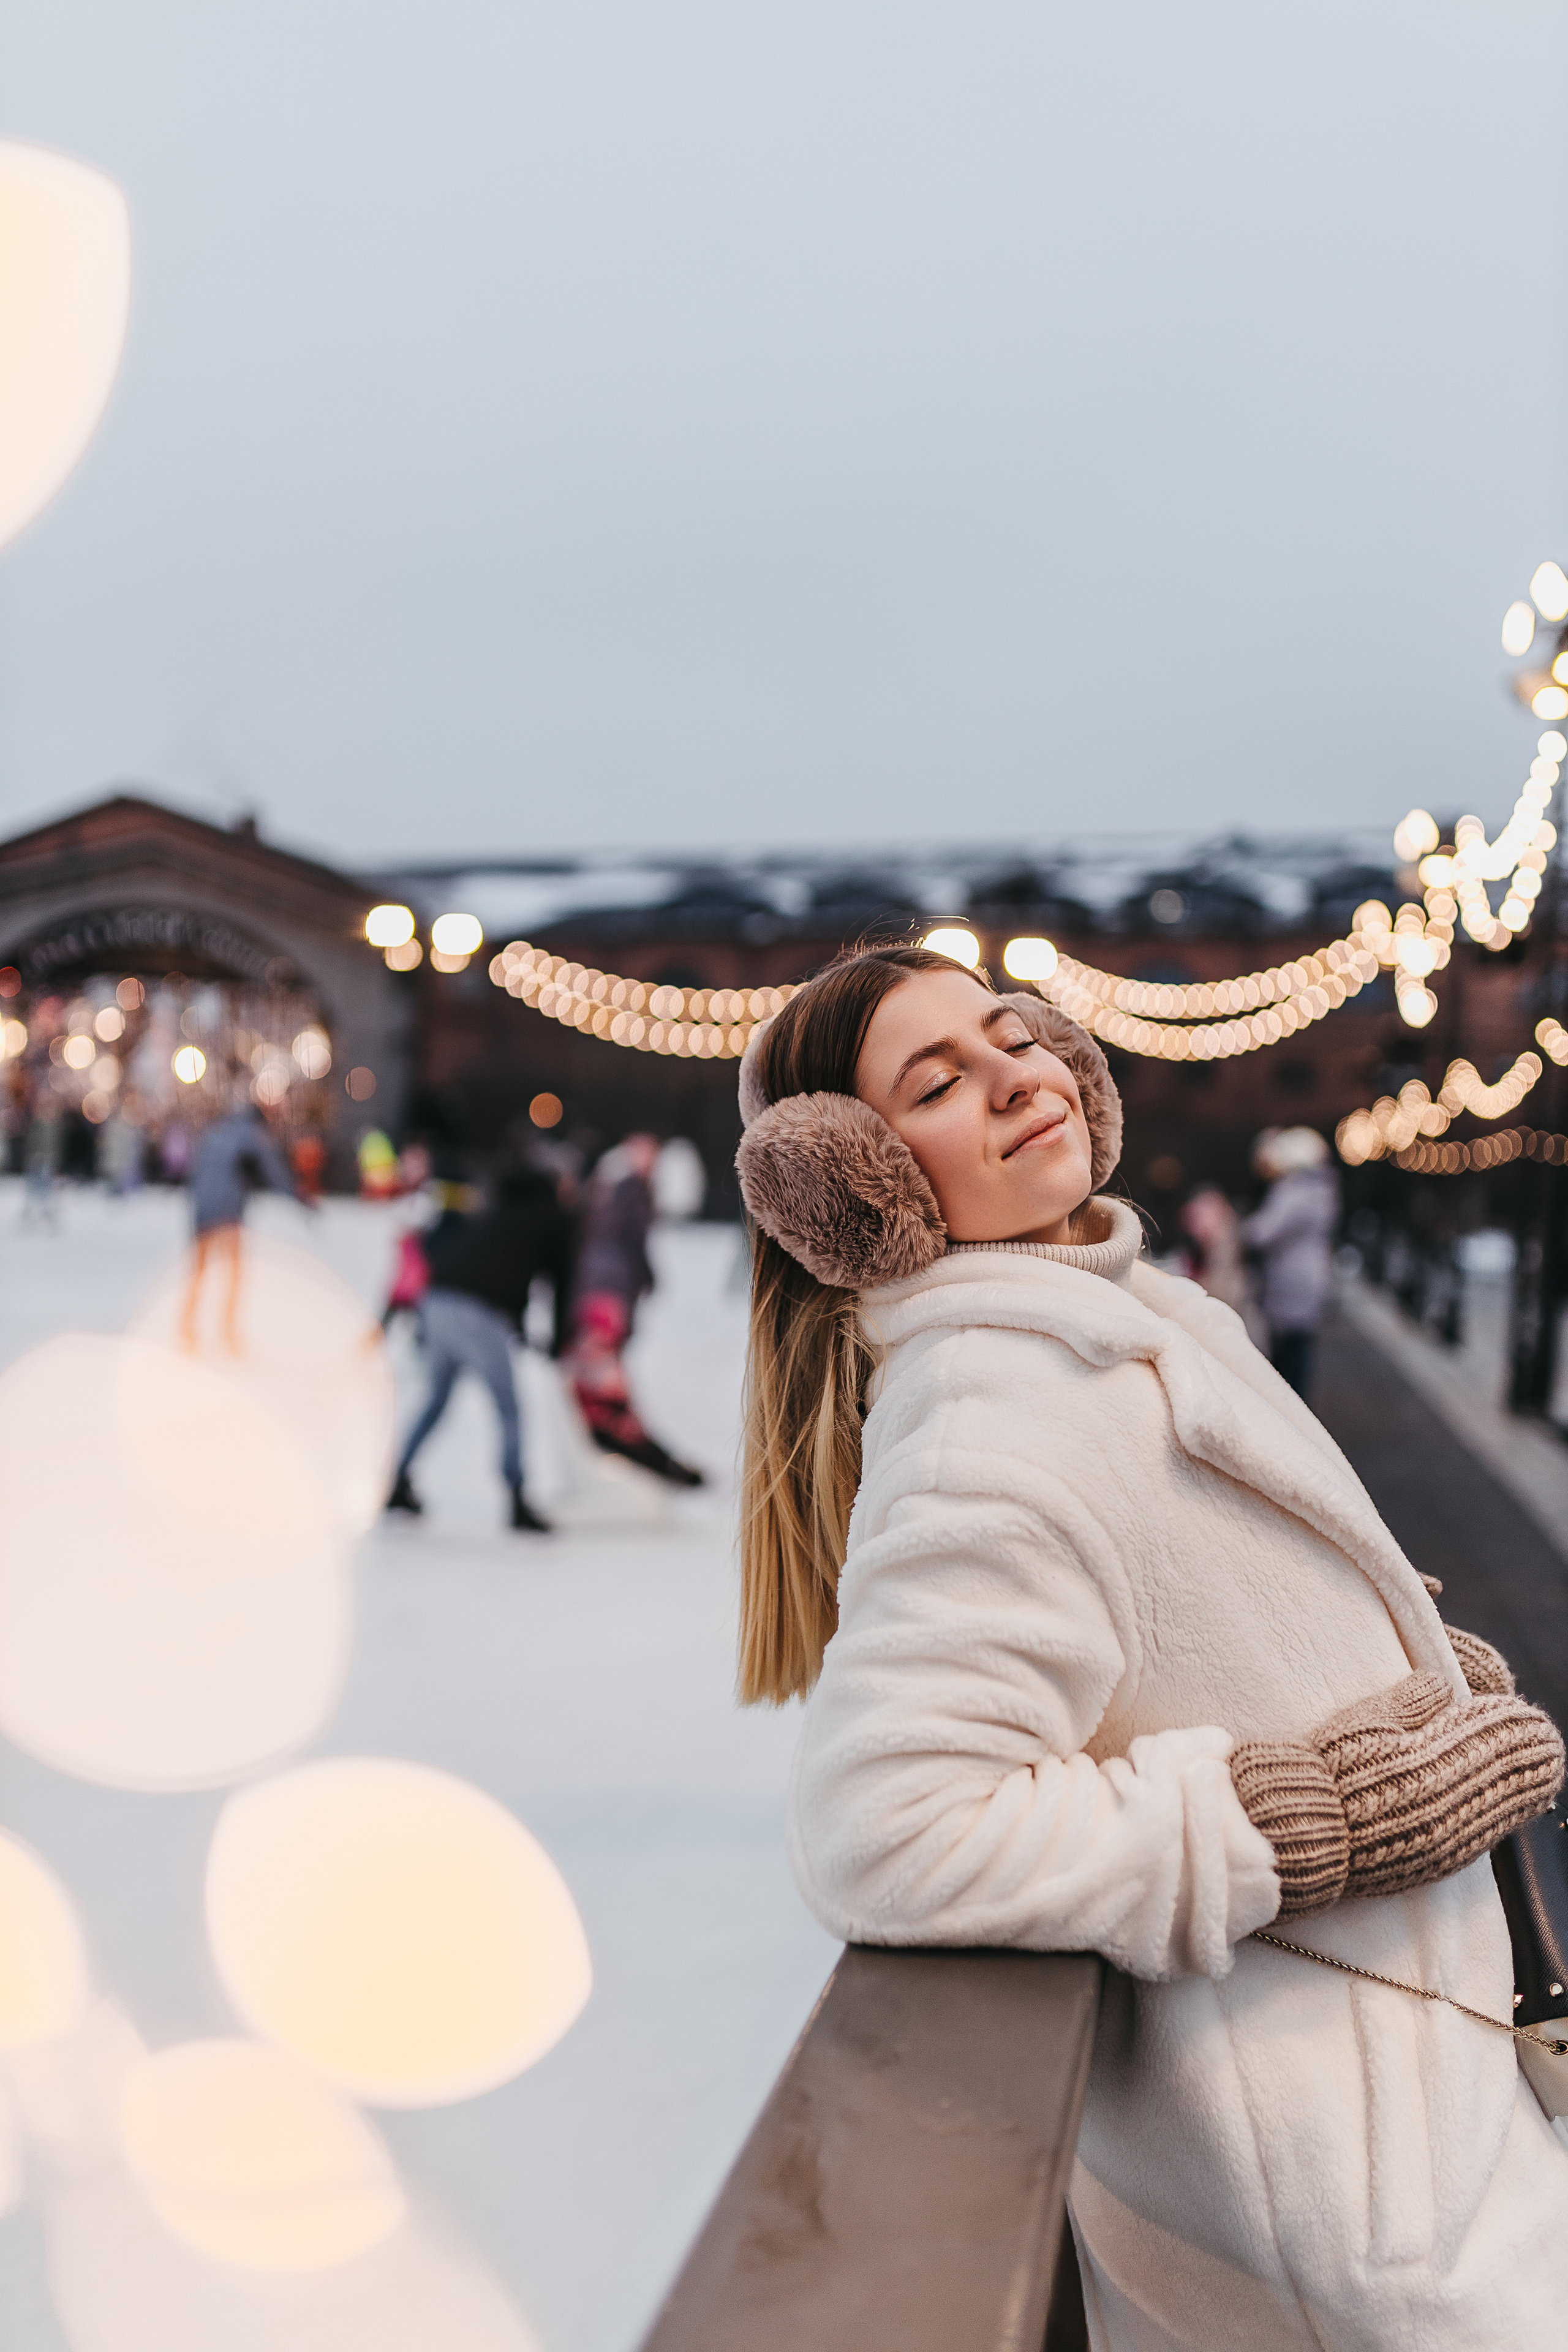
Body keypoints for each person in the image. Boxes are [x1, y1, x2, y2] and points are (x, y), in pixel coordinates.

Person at [731, 943, 1567, 2351]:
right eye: (936, 1081)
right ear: (851, 1182)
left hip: (1420, 2131)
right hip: (1340, 2230)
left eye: (1013, 1039)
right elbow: (886, 1828)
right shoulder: (990, 1417)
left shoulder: (1121, 1321)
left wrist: (1394, 1659)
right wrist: (1317, 1815)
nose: (1013, 1077)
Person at [386, 1163, 571, 1532]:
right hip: (478, 1313)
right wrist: (558, 1340)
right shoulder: (553, 1219)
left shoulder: (494, 1209)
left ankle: (395, 1479)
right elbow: (558, 1282)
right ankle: (518, 1498)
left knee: (436, 1398)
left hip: (437, 1302)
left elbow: (488, 1263)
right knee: (509, 1408)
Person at [565, 1133, 703, 1487]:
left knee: (597, 1357)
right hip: (612, 1291)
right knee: (603, 1360)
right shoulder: (632, 1190)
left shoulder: (601, 1189)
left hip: (590, 1289)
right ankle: (618, 1434)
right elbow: (636, 1240)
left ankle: (608, 1429)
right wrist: (649, 1276)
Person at [180, 1094, 307, 1351]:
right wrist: (299, 1195)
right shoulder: (252, 1136)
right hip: (228, 1214)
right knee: (234, 1274)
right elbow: (274, 1172)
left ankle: (187, 1327)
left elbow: (195, 1172)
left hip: (202, 1211)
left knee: (200, 1272)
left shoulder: (215, 1132)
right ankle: (228, 1331)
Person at [1243, 1123, 1338, 1399]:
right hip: (1311, 1273)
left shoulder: (1294, 1190)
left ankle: (1291, 1407)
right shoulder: (1322, 1188)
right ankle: (1297, 1403)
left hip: (1291, 1277)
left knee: (1289, 1353)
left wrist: (1240, 1229)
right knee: (1300, 1344)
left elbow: (1264, 1232)